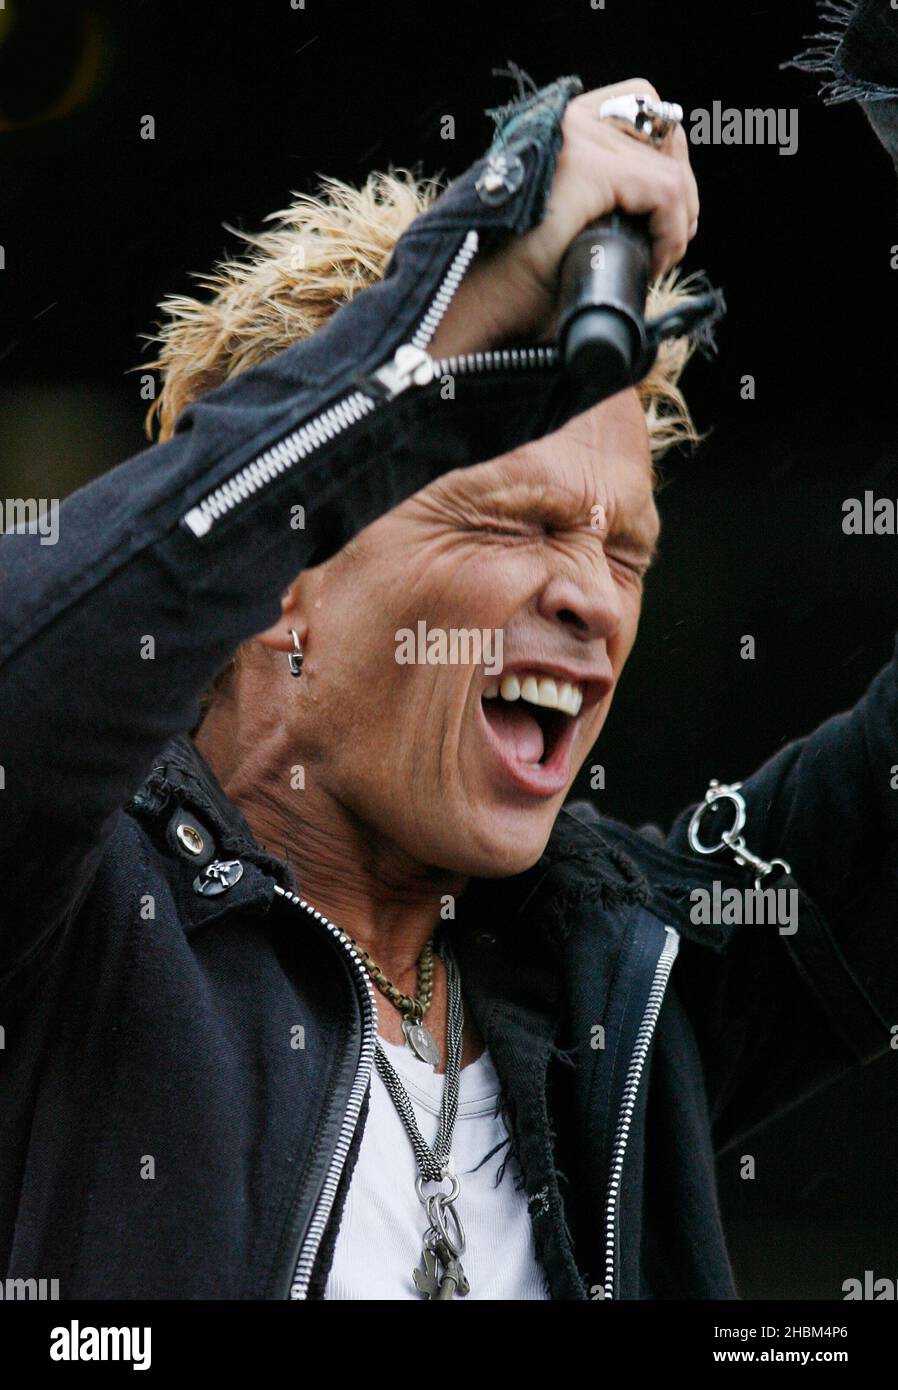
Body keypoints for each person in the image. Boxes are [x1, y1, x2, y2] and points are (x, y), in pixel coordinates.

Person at [0, 39, 895, 1301]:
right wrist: (434, 334)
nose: (590, 596)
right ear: (280, 582)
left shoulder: (628, 978)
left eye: (624, 551)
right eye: (513, 522)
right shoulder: (78, 915)